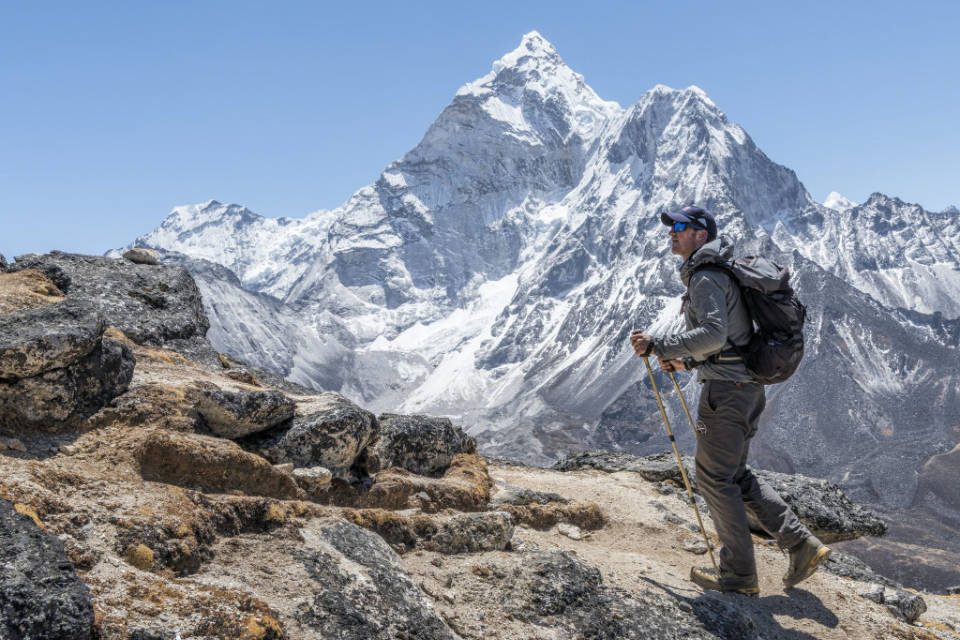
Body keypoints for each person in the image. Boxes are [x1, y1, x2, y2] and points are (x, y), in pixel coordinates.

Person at [629, 206, 830, 595]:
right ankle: (801, 544)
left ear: (701, 235)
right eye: (672, 227)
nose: (673, 232)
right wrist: (684, 360)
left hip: (726, 393)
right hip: (746, 388)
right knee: (734, 474)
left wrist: (659, 344)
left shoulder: (705, 276)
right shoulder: (717, 272)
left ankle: (738, 575)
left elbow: (714, 335)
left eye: (681, 227)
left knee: (713, 478)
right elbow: (729, 338)